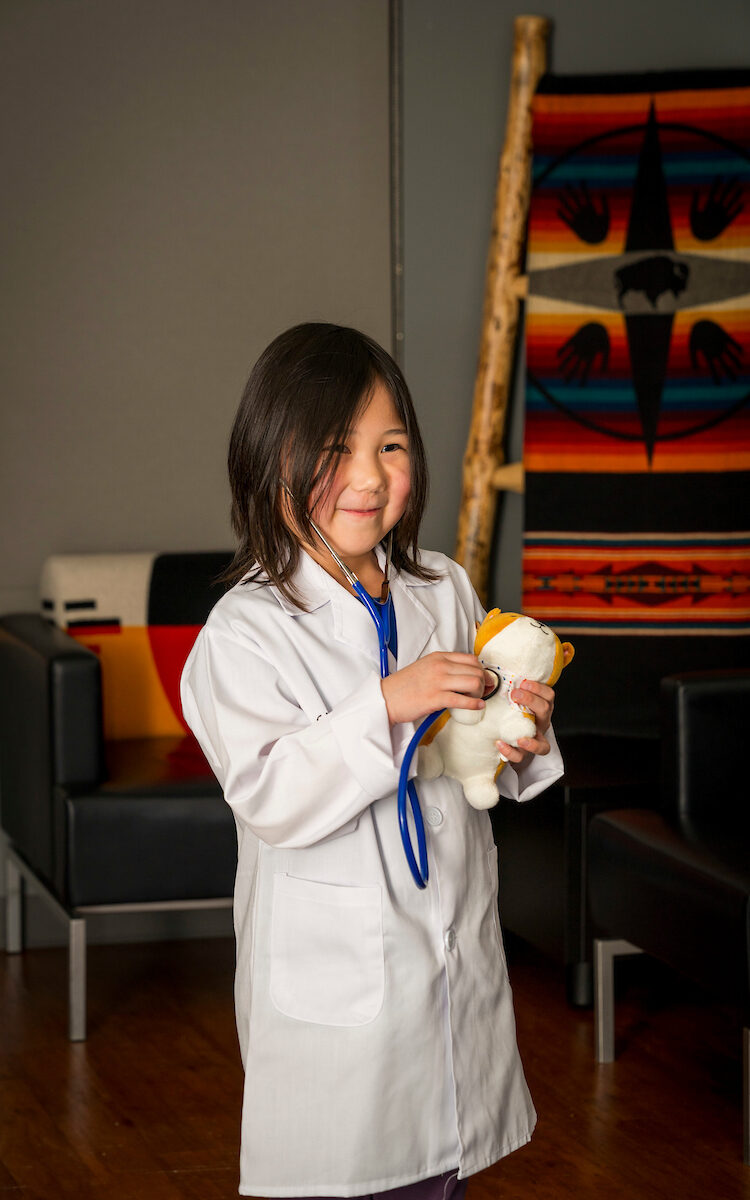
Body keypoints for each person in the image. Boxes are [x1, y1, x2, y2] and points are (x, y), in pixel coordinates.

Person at [180, 323, 564, 1200]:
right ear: (265, 459)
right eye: (332, 449)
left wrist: (518, 738)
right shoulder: (245, 631)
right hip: (339, 995)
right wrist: (393, 700)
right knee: (356, 1175)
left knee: (442, 1173)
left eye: (389, 446)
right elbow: (271, 794)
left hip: (448, 960)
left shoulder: (443, 585)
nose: (367, 476)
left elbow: (476, 755)